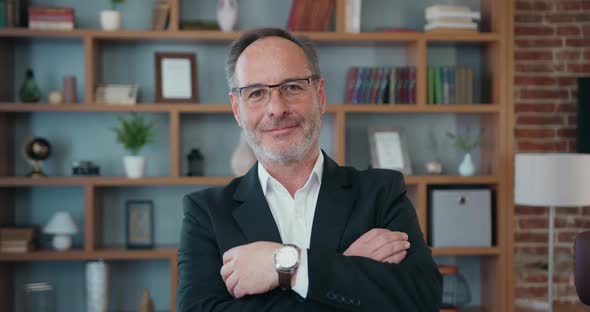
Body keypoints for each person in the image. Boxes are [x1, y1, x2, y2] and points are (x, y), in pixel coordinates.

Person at [177, 27, 442, 311]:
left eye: (292, 87)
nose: (276, 108)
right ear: (237, 109)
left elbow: (421, 299)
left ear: (320, 94)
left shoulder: (380, 192)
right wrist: (343, 269)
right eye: (256, 93)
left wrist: (289, 266)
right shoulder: (206, 213)